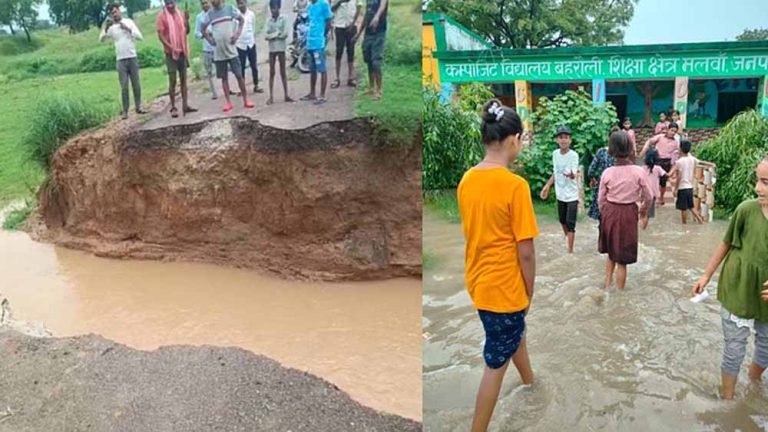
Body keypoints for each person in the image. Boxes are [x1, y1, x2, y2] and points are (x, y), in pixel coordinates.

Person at [456, 100, 537, 432]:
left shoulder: (466, 180)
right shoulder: (515, 186)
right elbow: (527, 253)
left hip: (479, 283)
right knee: (495, 363)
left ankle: (531, 382)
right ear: (513, 140)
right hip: (506, 289)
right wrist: (529, 291)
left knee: (511, 336)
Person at [691, 155, 768, 400]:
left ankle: (753, 383)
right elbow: (725, 243)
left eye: (766, 182)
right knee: (734, 350)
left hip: (765, 298)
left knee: (765, 349)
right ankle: (728, 401)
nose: (758, 188)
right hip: (738, 288)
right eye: (758, 180)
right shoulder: (746, 210)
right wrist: (706, 275)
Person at [598, 131, 652, 290]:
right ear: (630, 148)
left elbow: (601, 199)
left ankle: (607, 287)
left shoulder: (607, 172)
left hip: (610, 212)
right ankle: (620, 296)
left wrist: (605, 215)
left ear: (611, 149)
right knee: (622, 260)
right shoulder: (638, 171)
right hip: (629, 213)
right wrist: (643, 211)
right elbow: (648, 196)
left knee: (611, 253)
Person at [202, 0, 254, 112]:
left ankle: (246, 99)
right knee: (224, 78)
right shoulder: (210, 14)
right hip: (219, 53)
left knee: (239, 75)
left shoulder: (230, 9)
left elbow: (241, 20)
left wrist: (237, 34)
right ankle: (228, 102)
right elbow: (202, 28)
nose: (213, 2)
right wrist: (210, 40)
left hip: (231, 51)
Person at [100, 3, 146, 119]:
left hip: (132, 56)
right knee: (124, 86)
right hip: (120, 59)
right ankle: (125, 111)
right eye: (112, 13)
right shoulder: (111, 27)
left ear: (119, 11)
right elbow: (101, 39)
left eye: (116, 11)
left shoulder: (128, 22)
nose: (114, 14)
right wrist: (106, 28)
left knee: (136, 84)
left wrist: (128, 29)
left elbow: (140, 37)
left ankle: (138, 106)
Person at [540, 126, 579, 254]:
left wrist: (572, 174)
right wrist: (547, 186)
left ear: (570, 140)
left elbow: (574, 172)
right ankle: (567, 237)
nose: (563, 140)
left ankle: (570, 252)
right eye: (561, 138)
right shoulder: (555, 154)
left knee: (570, 222)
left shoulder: (574, 155)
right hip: (560, 194)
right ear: (557, 140)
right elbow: (555, 173)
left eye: (566, 138)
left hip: (572, 195)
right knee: (562, 220)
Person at [156, 0, 197, 118]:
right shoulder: (162, 16)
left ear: (175, 2)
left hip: (182, 52)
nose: (170, 5)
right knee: (172, 80)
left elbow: (187, 31)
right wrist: (171, 47)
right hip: (171, 54)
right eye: (167, 3)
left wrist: (187, 20)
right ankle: (173, 107)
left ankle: (185, 105)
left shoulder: (180, 14)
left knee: (184, 79)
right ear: (164, 3)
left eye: (171, 3)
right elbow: (160, 36)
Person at [639, 122, 680, 206]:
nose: (673, 133)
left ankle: (661, 197)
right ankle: (650, 196)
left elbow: (676, 157)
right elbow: (649, 141)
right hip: (657, 161)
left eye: (675, 131)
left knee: (663, 182)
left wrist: (672, 170)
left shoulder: (676, 143)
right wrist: (644, 149)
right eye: (672, 130)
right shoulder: (660, 137)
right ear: (668, 129)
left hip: (667, 163)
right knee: (652, 179)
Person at [300, 0, 332, 105]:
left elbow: (328, 21)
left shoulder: (324, 4)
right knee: (312, 69)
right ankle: (312, 93)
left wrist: (323, 35)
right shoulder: (310, 6)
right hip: (310, 43)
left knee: (322, 69)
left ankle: (322, 95)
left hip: (319, 43)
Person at [355, 0, 387, 100]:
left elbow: (382, 6)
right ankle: (371, 88)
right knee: (368, 59)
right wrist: (359, 34)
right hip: (368, 33)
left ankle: (379, 90)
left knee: (376, 62)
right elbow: (366, 15)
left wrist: (377, 17)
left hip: (379, 33)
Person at [669, 139, 705, 224]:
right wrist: (711, 164)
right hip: (690, 187)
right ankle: (700, 222)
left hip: (682, 188)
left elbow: (678, 177)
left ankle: (684, 225)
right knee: (691, 207)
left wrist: (675, 189)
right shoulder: (692, 159)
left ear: (680, 149)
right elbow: (701, 162)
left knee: (683, 208)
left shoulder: (679, 162)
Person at [265, 0, 293, 104]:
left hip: (280, 48)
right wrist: (277, 34)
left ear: (279, 8)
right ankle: (271, 96)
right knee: (271, 72)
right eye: (272, 8)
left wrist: (273, 35)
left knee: (283, 72)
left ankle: (286, 94)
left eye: (275, 8)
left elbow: (285, 34)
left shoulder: (283, 18)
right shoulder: (269, 20)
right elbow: (266, 36)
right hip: (272, 49)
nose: (273, 10)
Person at [330, 0, 361, 89]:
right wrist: (340, 2)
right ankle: (337, 78)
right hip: (339, 26)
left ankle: (350, 77)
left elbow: (359, 7)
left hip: (351, 25)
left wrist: (353, 22)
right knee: (339, 51)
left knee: (351, 51)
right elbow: (331, 9)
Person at [586, 129, 616, 221]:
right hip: (617, 188)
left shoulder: (601, 152)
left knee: (601, 216)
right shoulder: (622, 155)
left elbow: (591, 170)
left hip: (602, 187)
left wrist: (592, 179)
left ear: (608, 138)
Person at [236, 0, 264, 94]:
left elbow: (253, 27)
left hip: (251, 43)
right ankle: (242, 88)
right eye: (238, 3)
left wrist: (251, 38)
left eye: (242, 3)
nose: (240, 5)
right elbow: (234, 30)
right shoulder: (236, 16)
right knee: (241, 67)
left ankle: (256, 85)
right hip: (240, 45)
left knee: (254, 65)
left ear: (246, 2)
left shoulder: (251, 14)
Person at [195, 0, 218, 100]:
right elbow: (196, 33)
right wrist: (204, 35)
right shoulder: (199, 17)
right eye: (202, 3)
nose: (204, 5)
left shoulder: (216, 13)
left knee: (223, 70)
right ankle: (214, 92)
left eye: (206, 3)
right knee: (209, 72)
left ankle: (227, 89)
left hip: (218, 47)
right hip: (207, 48)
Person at [643, 148, 667, 219]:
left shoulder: (642, 168)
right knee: (649, 215)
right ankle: (646, 225)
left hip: (644, 193)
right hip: (653, 194)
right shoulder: (658, 168)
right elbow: (666, 175)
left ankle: (643, 226)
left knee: (644, 212)